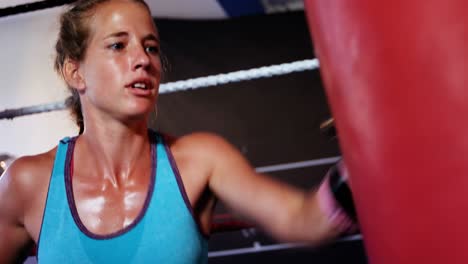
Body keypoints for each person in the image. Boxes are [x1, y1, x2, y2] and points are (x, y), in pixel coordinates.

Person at [0, 0, 357, 263]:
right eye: (118, 45)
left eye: (151, 47)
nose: (143, 60)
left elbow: (305, 219)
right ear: (75, 73)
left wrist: (366, 159)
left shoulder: (200, 160)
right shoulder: (28, 183)